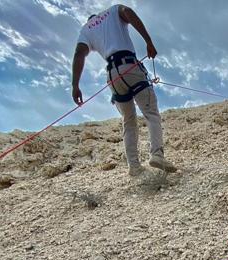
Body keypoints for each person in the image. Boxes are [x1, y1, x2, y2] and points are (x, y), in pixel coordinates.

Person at [71, 4, 176, 176]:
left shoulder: (86, 30)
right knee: (151, 113)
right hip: (129, 65)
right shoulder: (113, 11)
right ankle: (157, 155)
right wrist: (148, 41)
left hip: (112, 75)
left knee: (128, 121)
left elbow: (78, 54)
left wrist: (75, 85)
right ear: (97, 16)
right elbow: (128, 12)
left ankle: (133, 166)